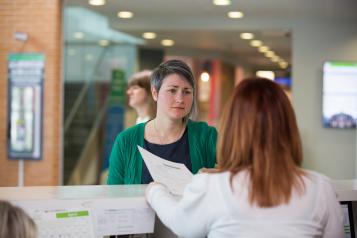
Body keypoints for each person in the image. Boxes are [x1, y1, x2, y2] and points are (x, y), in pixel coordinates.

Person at [145, 78, 344, 238]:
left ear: (233, 128)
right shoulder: (321, 188)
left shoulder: (212, 185)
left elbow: (181, 224)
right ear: (288, 127)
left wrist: (155, 190)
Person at [107, 59, 217, 185]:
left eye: (187, 92)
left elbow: (240, 171)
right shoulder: (126, 140)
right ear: (155, 93)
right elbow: (113, 195)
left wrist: (220, 174)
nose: (180, 99)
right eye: (172, 90)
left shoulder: (206, 136)